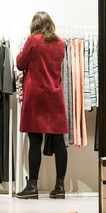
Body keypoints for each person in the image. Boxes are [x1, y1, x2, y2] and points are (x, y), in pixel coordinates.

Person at [15, 12, 68, 199]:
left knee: (35, 141)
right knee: (59, 141)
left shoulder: (33, 41)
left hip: (36, 97)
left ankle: (32, 186)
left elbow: (20, 63)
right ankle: (60, 186)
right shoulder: (61, 43)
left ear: (35, 25)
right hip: (55, 96)